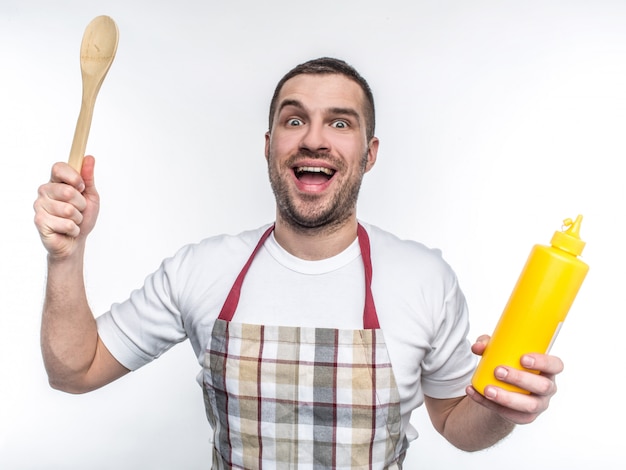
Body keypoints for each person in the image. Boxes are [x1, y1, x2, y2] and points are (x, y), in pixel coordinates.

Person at [34, 57, 563, 468]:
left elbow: (455, 424)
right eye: (294, 119)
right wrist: (66, 254)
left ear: (369, 152)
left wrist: (497, 408)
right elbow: (74, 369)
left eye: (339, 123)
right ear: (269, 146)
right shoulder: (201, 270)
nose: (314, 139)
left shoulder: (425, 279)